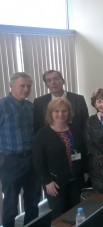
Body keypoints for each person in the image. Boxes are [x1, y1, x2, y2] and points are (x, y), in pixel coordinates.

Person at [33, 98, 88, 219]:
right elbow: (38, 161)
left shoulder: (75, 129)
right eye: (56, 111)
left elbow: (83, 151)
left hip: (75, 180)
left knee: (75, 212)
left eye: (64, 111)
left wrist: (84, 171)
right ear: (50, 113)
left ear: (69, 112)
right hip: (55, 183)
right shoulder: (43, 134)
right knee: (59, 214)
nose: (60, 114)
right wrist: (47, 181)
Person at [0, 72, 41, 227]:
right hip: (10, 162)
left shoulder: (30, 106)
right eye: (22, 86)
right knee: (10, 204)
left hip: (31, 160)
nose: (26, 89)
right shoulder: (2, 106)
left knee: (33, 201)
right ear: (11, 86)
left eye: (28, 86)